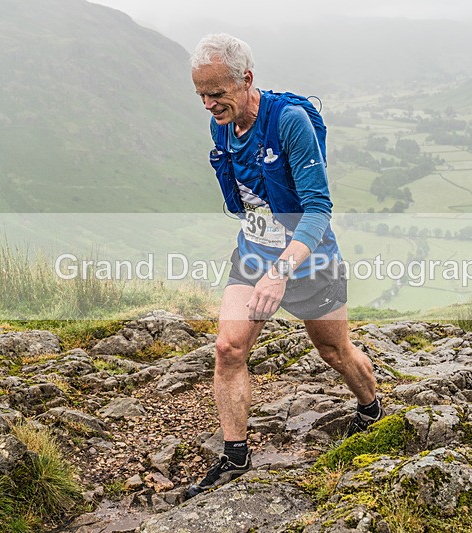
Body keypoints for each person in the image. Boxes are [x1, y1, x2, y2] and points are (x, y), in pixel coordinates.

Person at [185, 33, 381, 499]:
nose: (210, 105)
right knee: (228, 349)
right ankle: (235, 456)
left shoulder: (290, 122)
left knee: (334, 352)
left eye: (218, 93)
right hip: (253, 253)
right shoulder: (222, 124)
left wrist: (282, 270)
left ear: (246, 79)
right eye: (202, 96)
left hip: (309, 260)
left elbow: (317, 208)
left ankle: (370, 407)